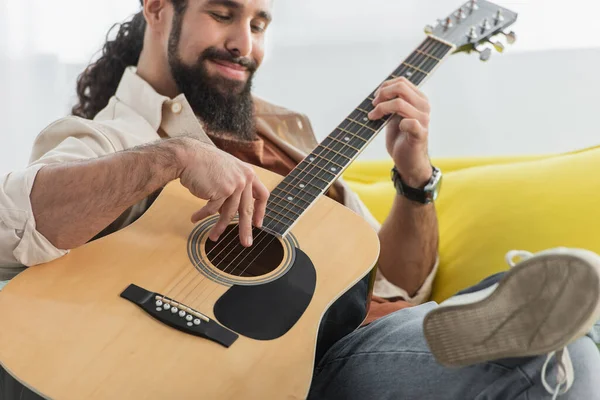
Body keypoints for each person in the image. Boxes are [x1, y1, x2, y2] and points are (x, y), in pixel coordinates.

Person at [0, 1, 598, 398]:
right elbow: (17, 222)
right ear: (158, 8)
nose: (244, 42)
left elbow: (393, 281)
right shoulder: (114, 137)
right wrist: (173, 157)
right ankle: (491, 329)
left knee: (574, 357)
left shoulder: (292, 141)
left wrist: (414, 180)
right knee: (564, 357)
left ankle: (485, 328)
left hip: (352, 340)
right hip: (275, 367)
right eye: (222, 13)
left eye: (260, 24)